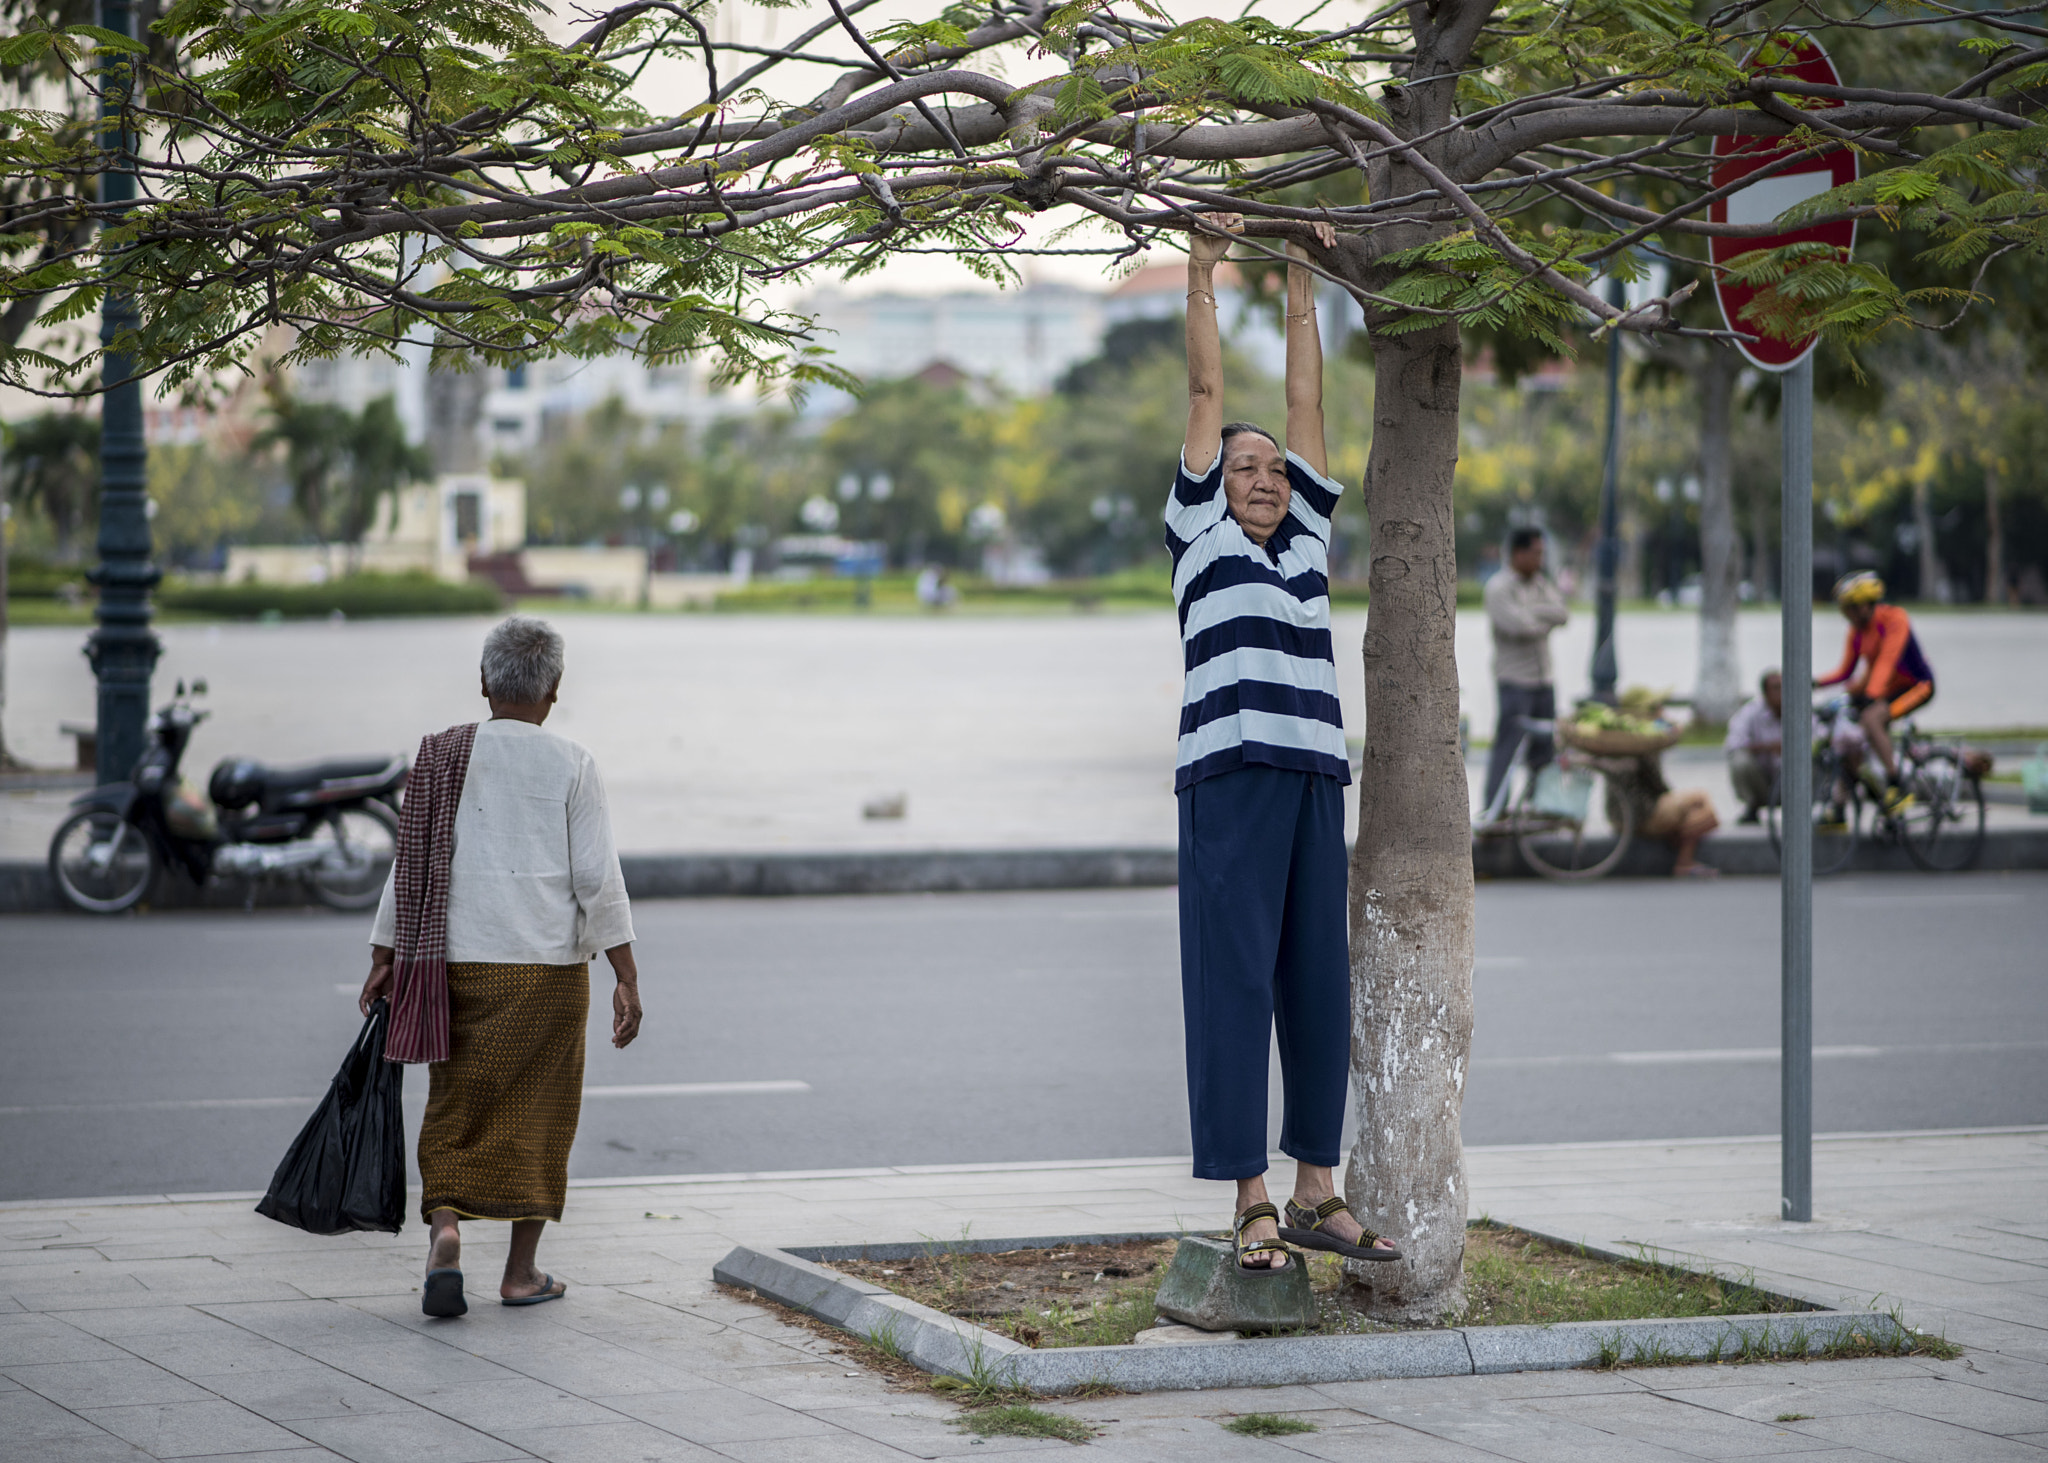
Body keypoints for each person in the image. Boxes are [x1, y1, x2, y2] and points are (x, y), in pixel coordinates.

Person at [1168, 212, 1396, 1275]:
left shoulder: (1303, 540)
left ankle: (1315, 1186)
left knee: (1315, 982)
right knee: (1234, 982)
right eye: (1243, 467)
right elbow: (1208, 396)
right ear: (1213, 483)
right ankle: (1249, 1198)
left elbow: (1307, 402)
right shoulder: (1197, 536)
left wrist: (1303, 270)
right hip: (1228, 777)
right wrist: (1206, 270)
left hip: (1313, 776)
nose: (1262, 477)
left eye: (1271, 469)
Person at [360, 615, 642, 1317]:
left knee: (453, 1104)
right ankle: (520, 1272)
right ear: (553, 691)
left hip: (452, 968)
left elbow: (411, 868)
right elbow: (596, 880)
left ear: (484, 682)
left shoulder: (441, 755)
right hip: (546, 975)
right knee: (539, 1118)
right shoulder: (572, 762)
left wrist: (383, 953)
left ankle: (446, 1230)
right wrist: (627, 975)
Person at [1816, 571, 1934, 814]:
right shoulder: (1857, 631)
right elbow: (1845, 671)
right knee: (1847, 739)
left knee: (1872, 718)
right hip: (1884, 690)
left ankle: (1896, 783)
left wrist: (1870, 695)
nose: (1848, 616)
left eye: (1852, 608)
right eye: (1844, 610)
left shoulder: (1894, 619)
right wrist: (1815, 683)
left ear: (1868, 605)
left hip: (1917, 686)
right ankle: (1839, 808)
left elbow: (1887, 660)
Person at [1482, 527, 1570, 812]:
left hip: (1544, 681)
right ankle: (1495, 811)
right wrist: (1543, 617)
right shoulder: (1499, 588)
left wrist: (1535, 614)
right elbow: (1521, 627)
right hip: (1514, 681)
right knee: (1507, 749)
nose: (1540, 560)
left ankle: (1539, 808)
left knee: (1544, 750)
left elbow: (1563, 614)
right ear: (1518, 554)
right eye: (1536, 554)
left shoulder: (1540, 584)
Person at [1608, 750, 1720, 877]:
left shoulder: (1613, 751)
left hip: (1618, 817)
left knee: (1701, 809)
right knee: (1703, 805)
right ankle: (1684, 858)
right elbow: (1658, 785)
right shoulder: (1642, 749)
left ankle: (1683, 853)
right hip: (1644, 814)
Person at [1725, 669, 1788, 824]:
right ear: (1765, 693)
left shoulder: (1801, 710)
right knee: (1739, 760)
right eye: (1776, 687)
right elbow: (1733, 743)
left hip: (1791, 778)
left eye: (1783, 686)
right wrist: (1768, 748)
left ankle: (1822, 808)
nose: (1781, 691)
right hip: (1762, 778)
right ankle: (1752, 805)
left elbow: (1818, 736)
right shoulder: (1750, 712)